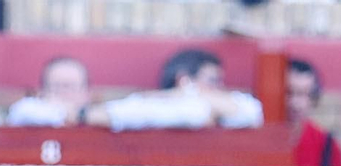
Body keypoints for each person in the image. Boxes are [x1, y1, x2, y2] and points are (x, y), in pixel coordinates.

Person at [95, 48, 263, 131]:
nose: (219, 88)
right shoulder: (146, 105)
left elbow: (252, 112)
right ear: (184, 81)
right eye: (212, 81)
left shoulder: (230, 108)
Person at [286, 58, 341, 166]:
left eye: (302, 94)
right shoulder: (260, 141)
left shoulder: (327, 145)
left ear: (314, 98)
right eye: (288, 92)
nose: (294, 103)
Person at [6, 57, 91, 127]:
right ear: (43, 92)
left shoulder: (94, 115)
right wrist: (63, 113)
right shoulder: (27, 111)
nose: (65, 93)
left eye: (72, 87)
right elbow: (20, 112)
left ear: (86, 93)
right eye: (57, 87)